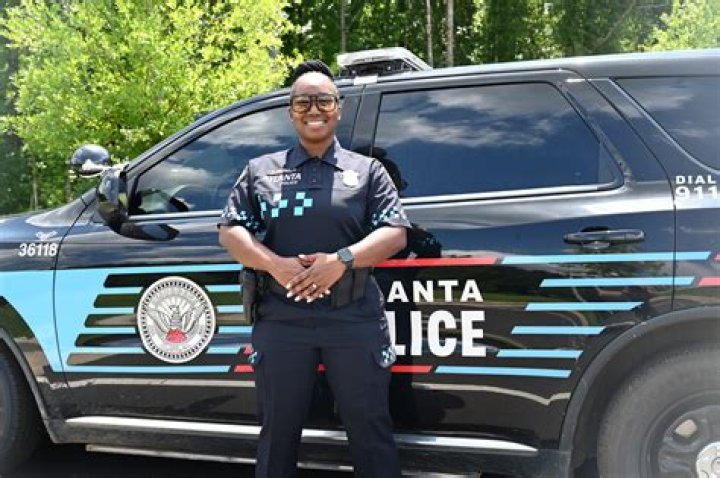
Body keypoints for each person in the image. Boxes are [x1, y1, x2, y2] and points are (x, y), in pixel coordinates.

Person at [218, 60, 409, 478]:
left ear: (338, 108)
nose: (314, 109)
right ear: (291, 112)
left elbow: (395, 234)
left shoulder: (367, 171)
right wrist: (276, 266)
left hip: (353, 319)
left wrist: (340, 261)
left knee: (371, 432)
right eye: (303, 102)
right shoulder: (262, 171)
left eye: (324, 100)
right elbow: (230, 232)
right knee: (277, 435)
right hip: (281, 320)